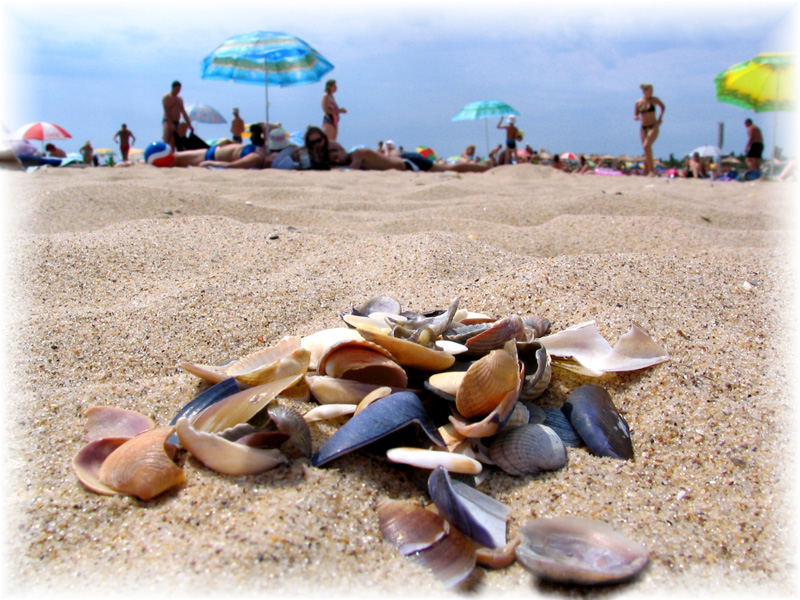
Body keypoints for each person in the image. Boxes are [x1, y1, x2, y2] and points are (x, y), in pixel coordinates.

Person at [328, 141, 492, 173]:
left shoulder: (358, 153)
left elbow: (353, 170)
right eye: (330, 154)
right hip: (404, 161)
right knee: (445, 168)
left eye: (335, 150)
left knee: (447, 168)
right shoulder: (354, 157)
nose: (334, 155)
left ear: (342, 148)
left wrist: (333, 167)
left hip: (409, 163)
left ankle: (484, 167)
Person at [171, 123, 269, 168]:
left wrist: (212, 164)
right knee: (174, 158)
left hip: (209, 157)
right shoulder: (261, 150)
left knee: (174, 159)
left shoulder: (257, 158)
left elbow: (232, 166)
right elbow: (263, 125)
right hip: (211, 152)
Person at [634, 83, 665, 176]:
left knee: (647, 145)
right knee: (646, 148)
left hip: (653, 125)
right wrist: (638, 118)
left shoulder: (654, 100)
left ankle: (652, 171)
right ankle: (648, 169)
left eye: (651, 90)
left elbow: (663, 107)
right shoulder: (639, 102)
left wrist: (660, 118)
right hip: (644, 126)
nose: (650, 92)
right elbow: (635, 115)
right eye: (647, 90)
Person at [162, 80, 193, 147]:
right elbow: (167, 111)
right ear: (173, 88)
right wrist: (170, 123)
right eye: (177, 88)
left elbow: (183, 111)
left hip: (177, 121)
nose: (179, 90)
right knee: (167, 139)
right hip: (168, 121)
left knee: (175, 141)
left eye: (180, 89)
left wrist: (189, 123)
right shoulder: (167, 97)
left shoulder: (179, 99)